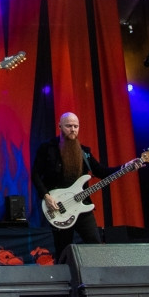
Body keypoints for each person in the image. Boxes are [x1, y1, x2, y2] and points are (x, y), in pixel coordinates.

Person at [31, 112, 121, 262]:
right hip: (59, 207)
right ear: (60, 126)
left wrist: (126, 166)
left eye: (76, 126)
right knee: (63, 252)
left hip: (82, 206)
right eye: (69, 126)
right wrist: (46, 196)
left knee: (94, 244)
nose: (73, 129)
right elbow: (35, 175)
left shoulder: (84, 152)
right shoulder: (47, 148)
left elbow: (102, 172)